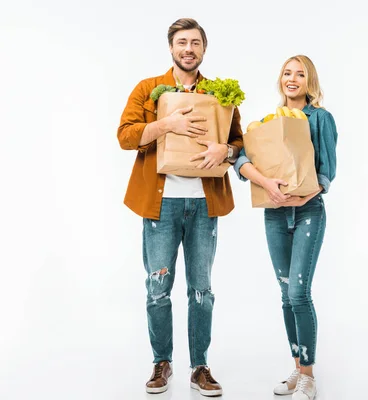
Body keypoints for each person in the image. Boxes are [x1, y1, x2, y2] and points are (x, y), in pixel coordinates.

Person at [117, 18, 243, 396]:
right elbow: (125, 136)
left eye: (196, 43)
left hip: (204, 205)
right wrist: (165, 124)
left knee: (201, 289)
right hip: (160, 206)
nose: (189, 48)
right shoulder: (147, 89)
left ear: (204, 49)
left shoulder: (221, 95)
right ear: (171, 47)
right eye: (182, 42)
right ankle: (162, 362)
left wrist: (228, 150)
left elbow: (239, 142)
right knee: (158, 288)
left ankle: (200, 367)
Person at [234, 55, 338, 400]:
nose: (292, 79)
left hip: (308, 212)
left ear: (310, 82)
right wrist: (267, 184)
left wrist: (302, 195)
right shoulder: (270, 122)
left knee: (298, 293)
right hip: (275, 213)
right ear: (281, 79)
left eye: (300, 74)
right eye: (287, 73)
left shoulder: (319, 118)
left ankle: (308, 376)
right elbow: (243, 158)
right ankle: (296, 368)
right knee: (284, 295)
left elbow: (327, 172)